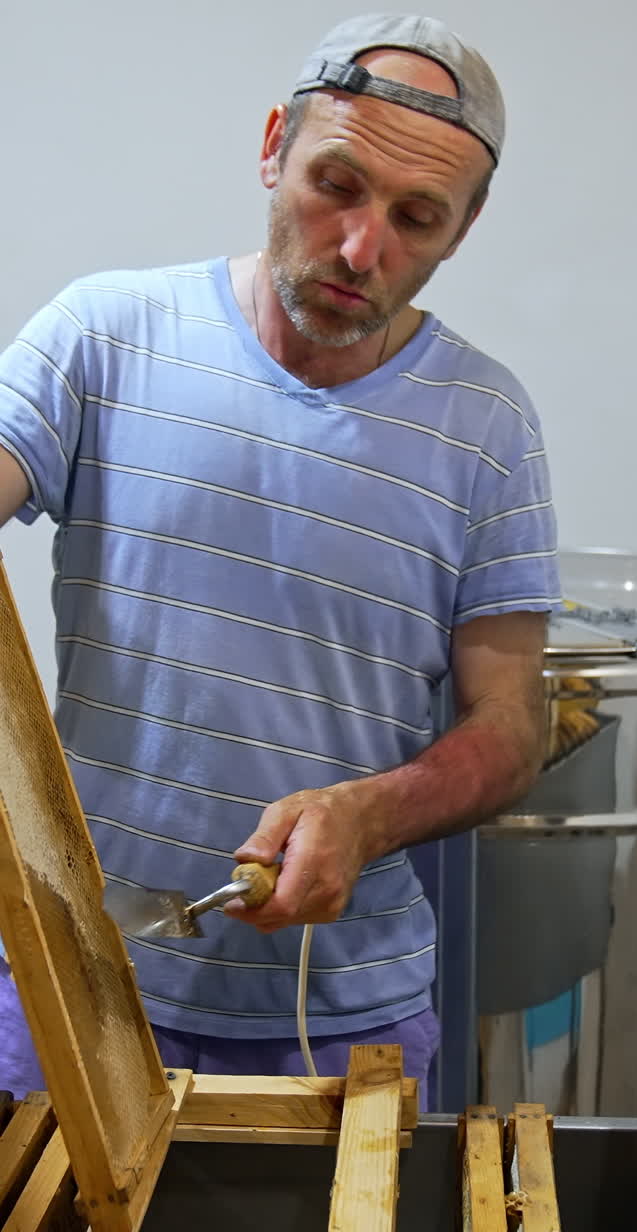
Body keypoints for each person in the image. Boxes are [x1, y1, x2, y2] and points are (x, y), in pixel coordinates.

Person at [0, 14, 561, 1109]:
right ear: (273, 145)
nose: (362, 247)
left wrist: (372, 813)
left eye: (416, 217)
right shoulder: (106, 335)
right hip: (78, 989)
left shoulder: (488, 424)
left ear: (466, 226)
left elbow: (510, 731)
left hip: (344, 1022)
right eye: (336, 184)